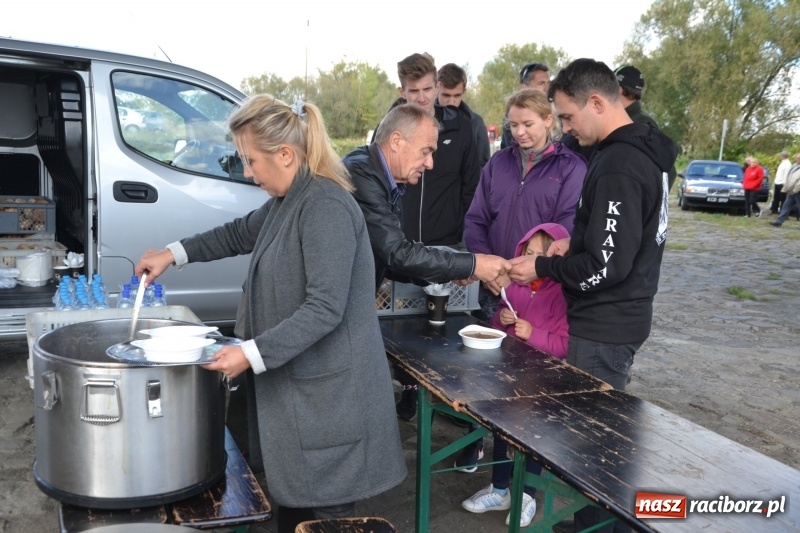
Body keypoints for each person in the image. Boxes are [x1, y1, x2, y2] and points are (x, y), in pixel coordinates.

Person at [134, 95, 407, 533]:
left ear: (285, 155)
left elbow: (324, 309)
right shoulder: (290, 199)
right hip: (306, 392)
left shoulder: (325, 206)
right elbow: (238, 233)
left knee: (331, 515)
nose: (247, 172)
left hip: (333, 399)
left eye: (251, 161)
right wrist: (173, 253)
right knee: (295, 505)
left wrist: (249, 353)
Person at [508, 58, 677, 533]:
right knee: (589, 435)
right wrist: (573, 243)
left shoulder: (621, 163)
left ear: (598, 103)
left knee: (592, 443)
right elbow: (620, 237)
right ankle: (586, 517)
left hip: (604, 326)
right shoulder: (628, 152)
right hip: (619, 317)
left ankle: (598, 522)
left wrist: (542, 265)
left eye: (566, 117)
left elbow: (606, 266)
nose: (563, 129)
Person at [342, 103, 511, 420]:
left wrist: (453, 271)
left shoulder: (383, 176)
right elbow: (397, 252)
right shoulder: (362, 175)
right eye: (426, 151)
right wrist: (471, 264)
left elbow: (390, 259)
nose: (431, 163)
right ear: (396, 141)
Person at [460, 222, 570, 529]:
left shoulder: (562, 295)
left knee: (530, 440)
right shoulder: (515, 288)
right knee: (500, 431)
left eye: (542, 255)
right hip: (508, 380)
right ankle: (499, 490)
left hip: (542, 386)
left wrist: (534, 334)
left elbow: (563, 345)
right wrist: (502, 319)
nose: (532, 261)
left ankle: (527, 495)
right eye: (528, 252)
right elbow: (498, 330)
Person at [465, 87, 586, 321]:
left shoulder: (572, 167)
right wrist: (488, 268)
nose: (519, 132)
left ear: (548, 120)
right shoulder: (497, 162)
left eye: (528, 124)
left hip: (539, 289)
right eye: (513, 125)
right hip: (491, 285)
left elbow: (565, 230)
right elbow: (476, 218)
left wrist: (530, 272)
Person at [395, 52, 479, 247]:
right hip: (401, 248)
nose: (422, 97)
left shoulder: (461, 128)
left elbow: (472, 188)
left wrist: (467, 240)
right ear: (402, 91)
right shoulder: (389, 131)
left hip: (449, 246)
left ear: (437, 87)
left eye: (427, 88)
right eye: (414, 91)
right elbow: (378, 189)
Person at [614, 65, 677, 191]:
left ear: (619, 89)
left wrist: (643, 203)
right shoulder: (622, 118)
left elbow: (668, 171)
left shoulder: (643, 124)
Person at [436, 62, 491, 169]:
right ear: (436, 89)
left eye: (457, 95)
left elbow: (483, 166)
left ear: (464, 92)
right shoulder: (422, 120)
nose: (451, 102)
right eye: (446, 95)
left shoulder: (476, 123)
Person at [500, 62, 551, 150]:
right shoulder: (512, 116)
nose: (547, 88)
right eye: (541, 83)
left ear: (549, 120)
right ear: (524, 87)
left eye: (548, 83)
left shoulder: (560, 113)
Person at [770, 152, 800, 227]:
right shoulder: (794, 166)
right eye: (797, 158)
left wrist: (795, 190)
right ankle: (779, 222)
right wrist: (788, 188)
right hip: (791, 190)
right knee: (786, 206)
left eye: (798, 158)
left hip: (797, 191)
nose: (797, 159)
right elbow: (789, 177)